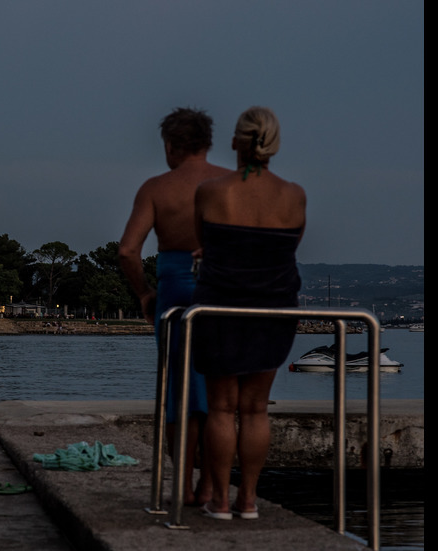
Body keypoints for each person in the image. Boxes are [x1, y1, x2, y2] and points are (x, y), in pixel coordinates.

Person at [192, 106, 306, 520]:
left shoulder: (212, 191)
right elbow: (285, 250)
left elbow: (204, 242)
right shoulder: (294, 195)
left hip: (220, 305)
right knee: (256, 408)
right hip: (274, 308)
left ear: (237, 142)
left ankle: (220, 502)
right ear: (273, 144)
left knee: (222, 406)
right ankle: (249, 501)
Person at [118, 107, 230, 506]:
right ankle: (211, 489)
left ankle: (181, 486)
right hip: (221, 291)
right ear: (208, 142)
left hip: (174, 294)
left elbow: (129, 251)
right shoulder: (229, 183)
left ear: (169, 146)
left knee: (177, 393)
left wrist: (144, 293)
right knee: (219, 395)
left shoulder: (156, 188)